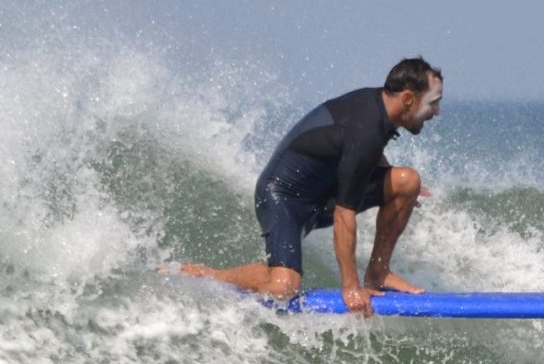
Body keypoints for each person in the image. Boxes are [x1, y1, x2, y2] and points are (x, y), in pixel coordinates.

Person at [174, 57, 443, 316]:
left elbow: (362, 157)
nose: (436, 112)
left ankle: (379, 272)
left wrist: (397, 190)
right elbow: (344, 214)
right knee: (283, 287)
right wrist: (350, 288)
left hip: (323, 193)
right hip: (283, 198)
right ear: (408, 98)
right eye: (433, 103)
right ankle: (206, 275)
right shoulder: (365, 130)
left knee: (407, 182)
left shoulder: (380, 108)